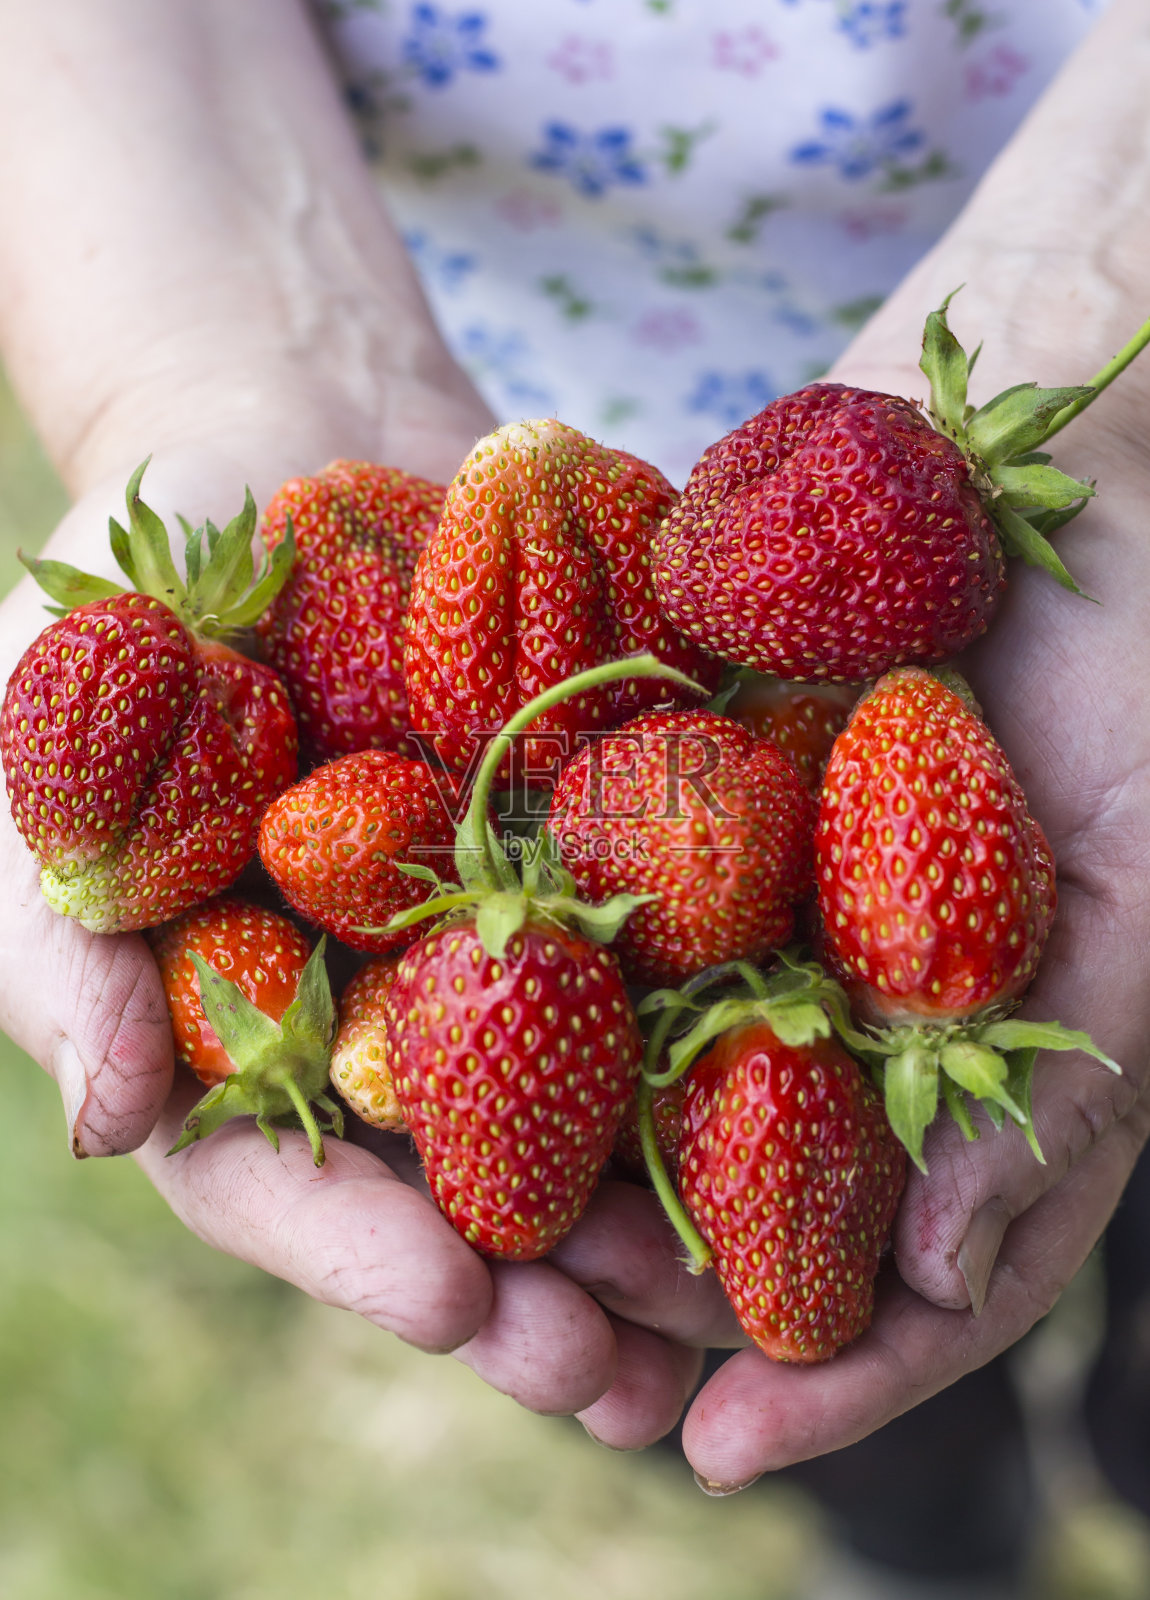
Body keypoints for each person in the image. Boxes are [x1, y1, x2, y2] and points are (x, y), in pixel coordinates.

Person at [1, 0, 1148, 1571]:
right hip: (485, 345)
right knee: (737, 1319)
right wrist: (209, 371)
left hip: (1057, 439)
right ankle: (929, 1536)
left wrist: (1107, 369)